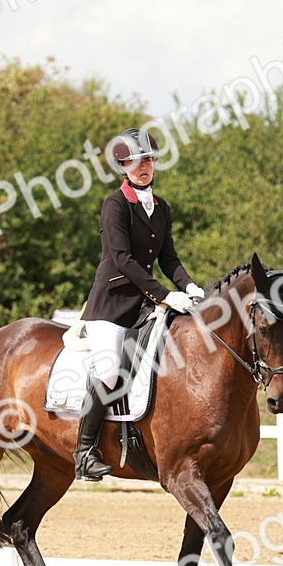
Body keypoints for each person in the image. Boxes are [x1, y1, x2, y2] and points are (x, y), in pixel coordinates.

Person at [73, 127, 205, 481]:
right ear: (123, 165)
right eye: (135, 160)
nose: (144, 165)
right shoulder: (114, 204)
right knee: (110, 370)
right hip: (112, 304)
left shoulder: (161, 208)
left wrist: (189, 285)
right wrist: (164, 295)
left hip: (144, 304)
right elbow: (121, 259)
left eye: (148, 159)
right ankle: (84, 451)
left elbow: (168, 257)